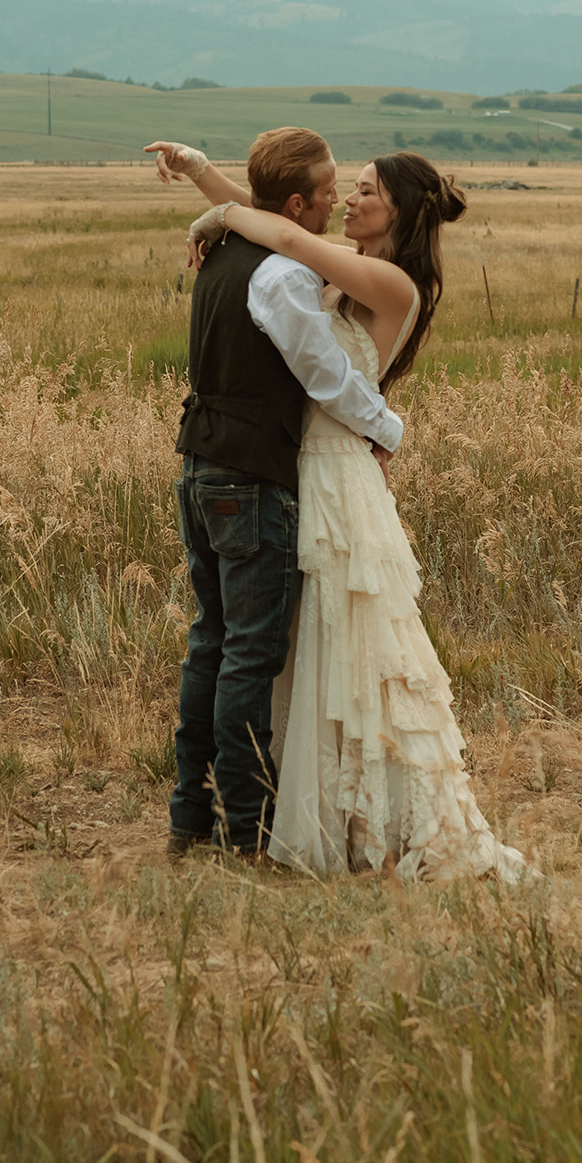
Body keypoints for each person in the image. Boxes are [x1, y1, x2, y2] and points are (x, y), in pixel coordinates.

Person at [152, 141, 532, 884]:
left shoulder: (391, 281)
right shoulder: (335, 263)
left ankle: (328, 815)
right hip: (294, 468)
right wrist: (209, 189)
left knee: (332, 645)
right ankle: (286, 804)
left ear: (400, 213)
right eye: (345, 189)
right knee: (291, 648)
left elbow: (283, 229)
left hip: (333, 474)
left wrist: (215, 212)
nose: (350, 201)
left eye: (365, 192)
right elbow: (280, 218)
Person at [147, 129, 404, 860]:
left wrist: (205, 188)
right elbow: (323, 375)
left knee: (211, 646)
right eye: (328, 191)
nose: (335, 200)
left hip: (199, 466)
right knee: (248, 658)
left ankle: (188, 817)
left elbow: (257, 220)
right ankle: (247, 828)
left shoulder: (228, 253)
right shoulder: (283, 277)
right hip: (249, 480)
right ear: (295, 202)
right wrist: (386, 429)